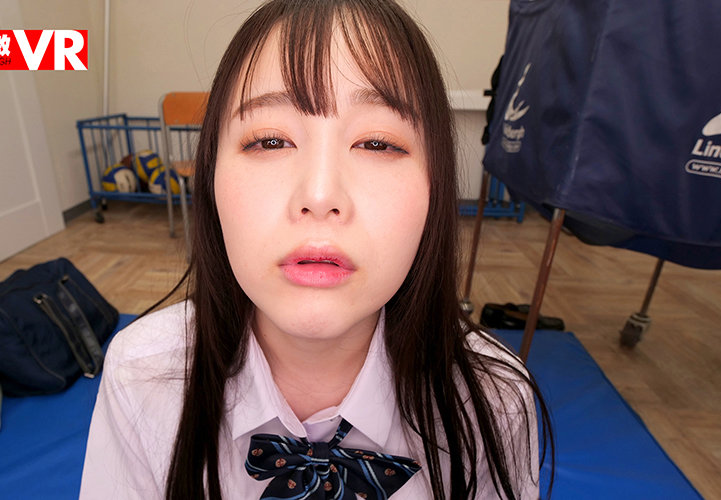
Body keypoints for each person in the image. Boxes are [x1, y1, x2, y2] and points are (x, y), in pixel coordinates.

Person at [80, 0, 553, 498]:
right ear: (211, 176)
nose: (321, 194)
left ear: (436, 186)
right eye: (269, 141)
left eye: (377, 143)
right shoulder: (143, 376)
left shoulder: (494, 400)